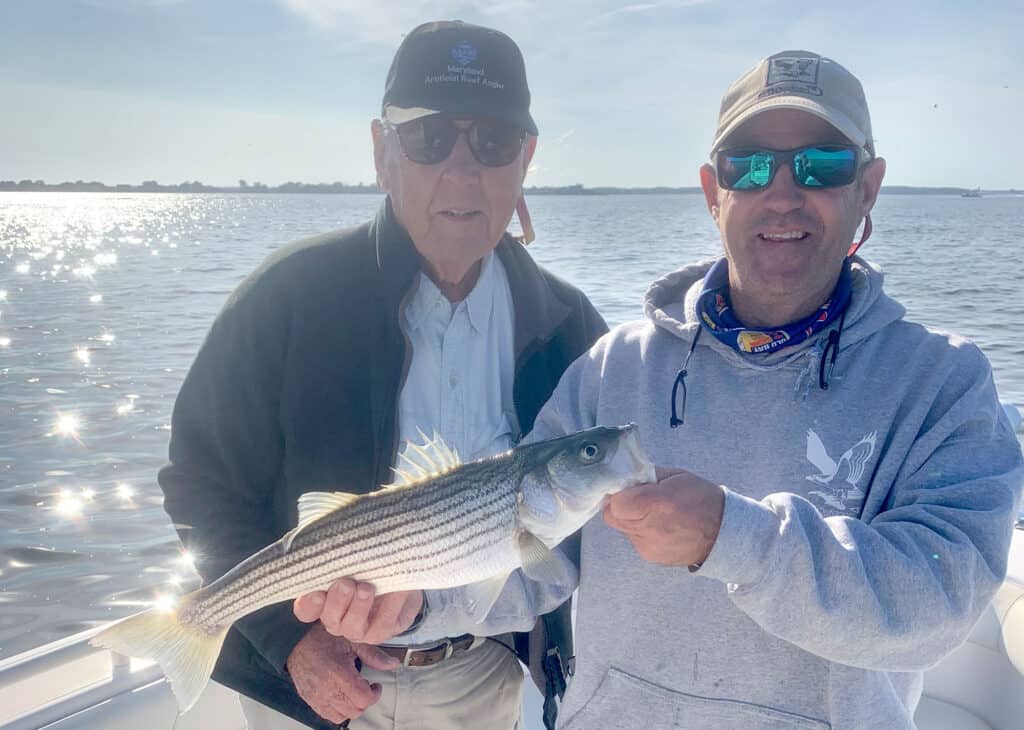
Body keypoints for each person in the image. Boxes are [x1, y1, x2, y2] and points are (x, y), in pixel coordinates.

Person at [302, 50, 1024, 729]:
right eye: (748, 168)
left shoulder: (943, 383)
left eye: (820, 164)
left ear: (867, 187)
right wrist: (419, 601)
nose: (781, 193)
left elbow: (939, 602)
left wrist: (731, 537)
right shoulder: (616, 367)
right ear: (713, 193)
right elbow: (531, 559)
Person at [158, 20, 606, 730]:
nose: (462, 173)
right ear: (381, 152)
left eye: (491, 142)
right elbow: (200, 480)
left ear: (525, 159)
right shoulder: (289, 298)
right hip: (301, 685)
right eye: (430, 138)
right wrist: (289, 640)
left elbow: (587, 526)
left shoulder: (569, 327)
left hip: (480, 677)